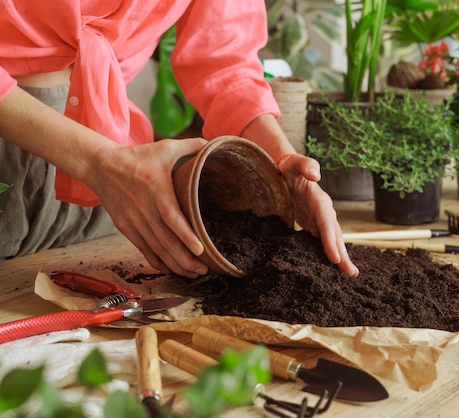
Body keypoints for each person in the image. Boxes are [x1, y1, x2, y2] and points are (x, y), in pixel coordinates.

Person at [0, 1, 359, 278]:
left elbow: (224, 57)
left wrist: (281, 163)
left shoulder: (126, 181)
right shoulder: (112, 170)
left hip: (113, 167)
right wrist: (97, 161)